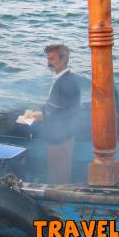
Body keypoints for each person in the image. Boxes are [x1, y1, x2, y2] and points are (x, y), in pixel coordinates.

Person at [41, 44, 81, 184]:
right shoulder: (62, 78)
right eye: (48, 58)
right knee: (58, 173)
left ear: (64, 60)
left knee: (58, 175)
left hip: (60, 135)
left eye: (52, 58)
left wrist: (39, 116)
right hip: (61, 133)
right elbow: (56, 106)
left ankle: (59, 201)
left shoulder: (67, 81)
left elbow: (59, 111)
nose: (48, 62)